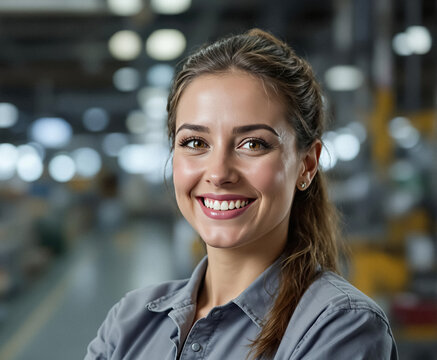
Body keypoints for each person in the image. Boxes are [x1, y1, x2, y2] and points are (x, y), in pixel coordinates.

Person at [85, 29, 397, 359]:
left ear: (306, 166)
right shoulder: (130, 322)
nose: (219, 173)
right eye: (196, 143)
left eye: (253, 144)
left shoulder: (340, 327)